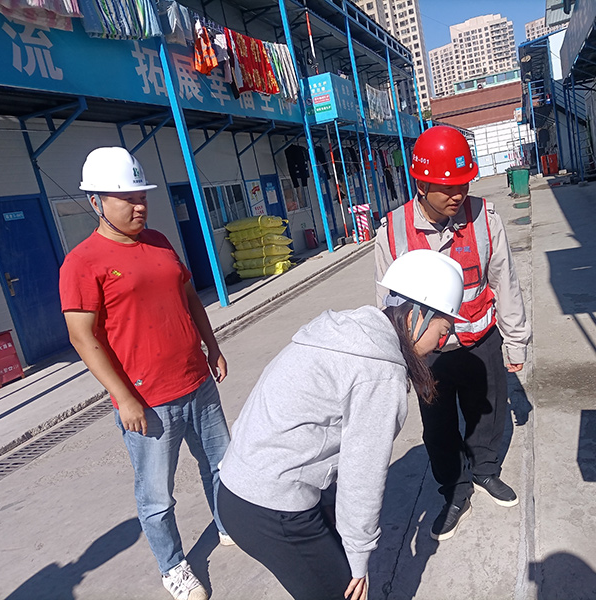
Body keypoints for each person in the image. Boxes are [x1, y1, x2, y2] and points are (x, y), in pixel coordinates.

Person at [216, 249, 465, 600]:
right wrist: (359, 557)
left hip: (236, 487)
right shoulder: (379, 372)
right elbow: (361, 476)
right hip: (272, 507)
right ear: (417, 315)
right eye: (443, 330)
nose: (442, 343)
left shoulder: (345, 331)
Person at [59, 147, 232, 600]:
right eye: (127, 199)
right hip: (148, 402)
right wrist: (124, 398)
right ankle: (173, 566)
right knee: (157, 496)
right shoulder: (82, 262)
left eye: (142, 197)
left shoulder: (158, 241)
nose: (139, 207)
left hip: (198, 383)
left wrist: (211, 346)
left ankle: (229, 524)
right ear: (96, 202)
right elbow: (81, 337)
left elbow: (190, 298)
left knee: (221, 465)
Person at [374, 125, 531, 542]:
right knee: (438, 428)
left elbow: (505, 282)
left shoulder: (485, 218)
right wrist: (398, 362)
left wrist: (516, 340)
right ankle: (455, 491)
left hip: (482, 341)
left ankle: (485, 471)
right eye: (447, 187)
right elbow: (386, 305)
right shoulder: (392, 231)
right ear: (421, 184)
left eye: (463, 183)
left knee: (487, 413)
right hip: (429, 354)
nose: (458, 194)